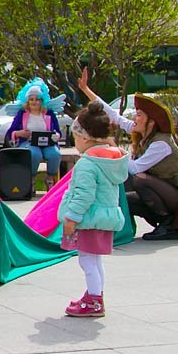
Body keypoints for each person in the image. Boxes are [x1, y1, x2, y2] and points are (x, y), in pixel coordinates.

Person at [78, 70, 178, 241]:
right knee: (125, 198)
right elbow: (114, 116)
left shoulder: (161, 144)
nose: (134, 117)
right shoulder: (143, 134)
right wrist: (86, 90)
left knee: (139, 179)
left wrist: (113, 147)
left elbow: (135, 169)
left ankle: (170, 224)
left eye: (139, 115)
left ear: (151, 122)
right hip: (164, 193)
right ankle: (128, 227)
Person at [58, 101, 130, 317]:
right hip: (105, 217)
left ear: (86, 138)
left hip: (89, 219)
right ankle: (94, 294)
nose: (75, 143)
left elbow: (84, 195)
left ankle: (95, 301)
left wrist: (71, 218)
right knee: (95, 260)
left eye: (76, 138)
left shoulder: (88, 164)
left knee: (87, 260)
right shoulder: (110, 161)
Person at [5, 78, 65, 188]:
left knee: (55, 154)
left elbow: (58, 131)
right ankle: (31, 179)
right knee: (34, 154)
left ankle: (50, 178)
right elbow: (11, 132)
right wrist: (19, 133)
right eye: (31, 99)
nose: (34, 102)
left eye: (37, 99)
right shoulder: (22, 114)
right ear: (27, 101)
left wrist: (56, 135)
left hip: (47, 143)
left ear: (42, 101)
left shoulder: (49, 113)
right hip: (28, 143)